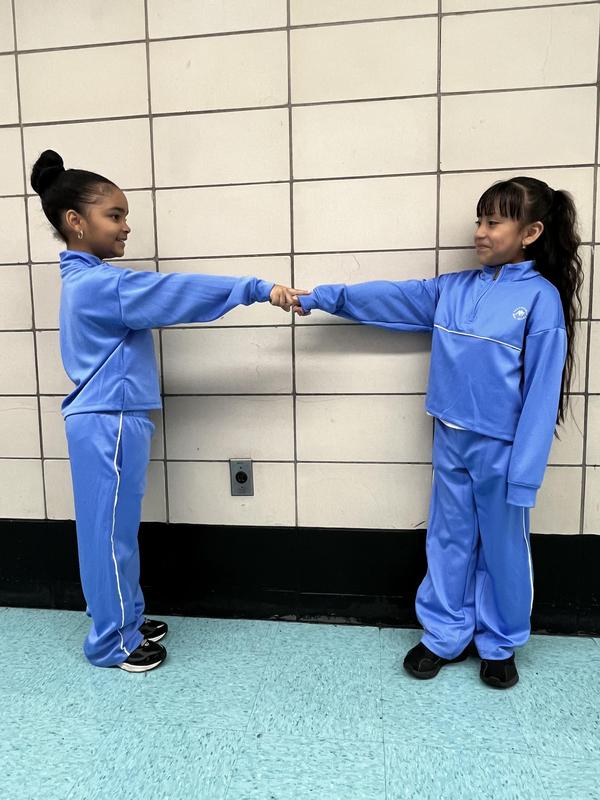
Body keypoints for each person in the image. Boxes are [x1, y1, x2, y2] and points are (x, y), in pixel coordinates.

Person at [292, 177, 582, 688]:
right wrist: (320, 297)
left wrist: (525, 475)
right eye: (480, 220)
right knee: (449, 537)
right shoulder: (455, 288)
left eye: (494, 222)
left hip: (504, 448)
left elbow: (540, 398)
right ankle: (445, 633)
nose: (481, 231)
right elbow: (389, 298)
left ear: (532, 232)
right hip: (450, 437)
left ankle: (500, 641)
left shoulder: (540, 300)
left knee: (503, 545)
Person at [31, 149, 305, 673]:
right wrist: (254, 289)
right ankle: (111, 641)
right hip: (107, 419)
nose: (126, 226)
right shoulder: (99, 284)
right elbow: (172, 292)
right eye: (114, 215)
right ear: (75, 221)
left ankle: (126, 617)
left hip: (112, 416)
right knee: (108, 533)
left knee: (115, 528)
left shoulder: (89, 280)